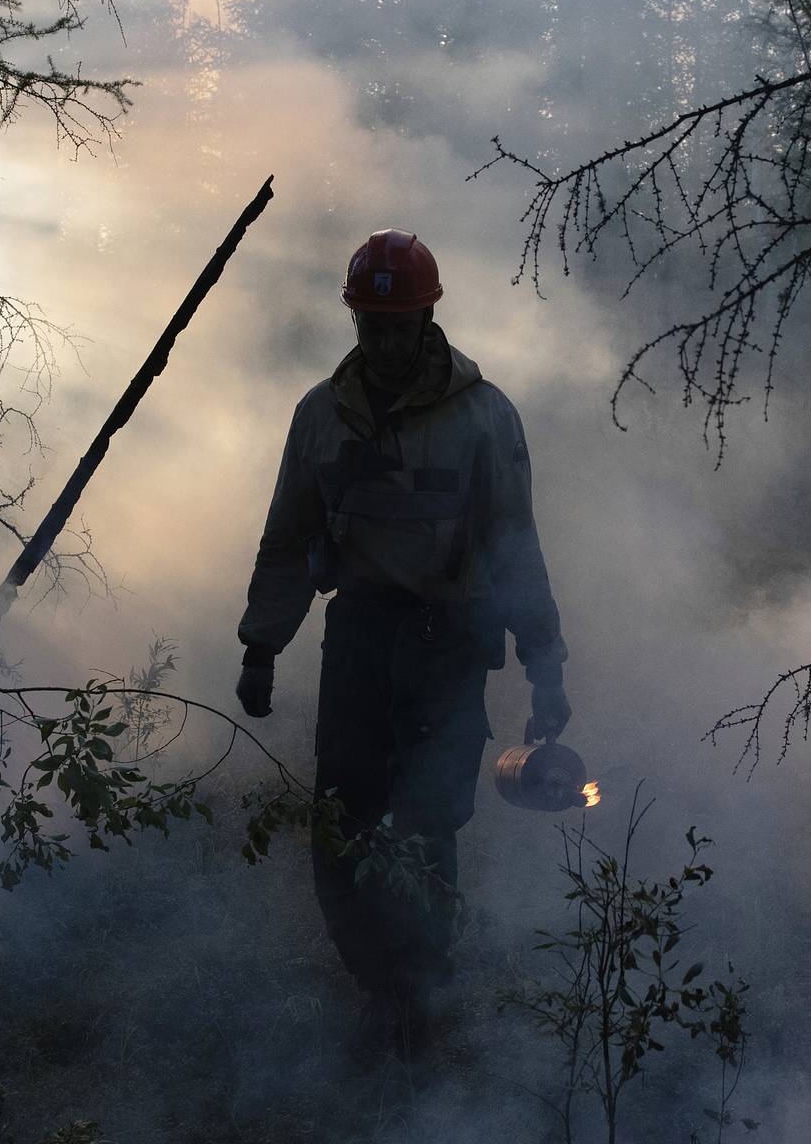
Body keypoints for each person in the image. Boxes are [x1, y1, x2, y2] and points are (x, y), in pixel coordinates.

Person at [235, 228, 570, 1048]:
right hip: (358, 638)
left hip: (448, 644)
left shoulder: (483, 419)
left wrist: (545, 667)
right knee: (344, 813)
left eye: (398, 323)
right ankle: (372, 977)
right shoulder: (323, 416)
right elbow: (288, 535)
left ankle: (420, 985)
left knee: (427, 818)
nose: (384, 341)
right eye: (370, 325)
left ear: (428, 317)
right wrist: (261, 644)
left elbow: (515, 544)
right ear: (354, 322)